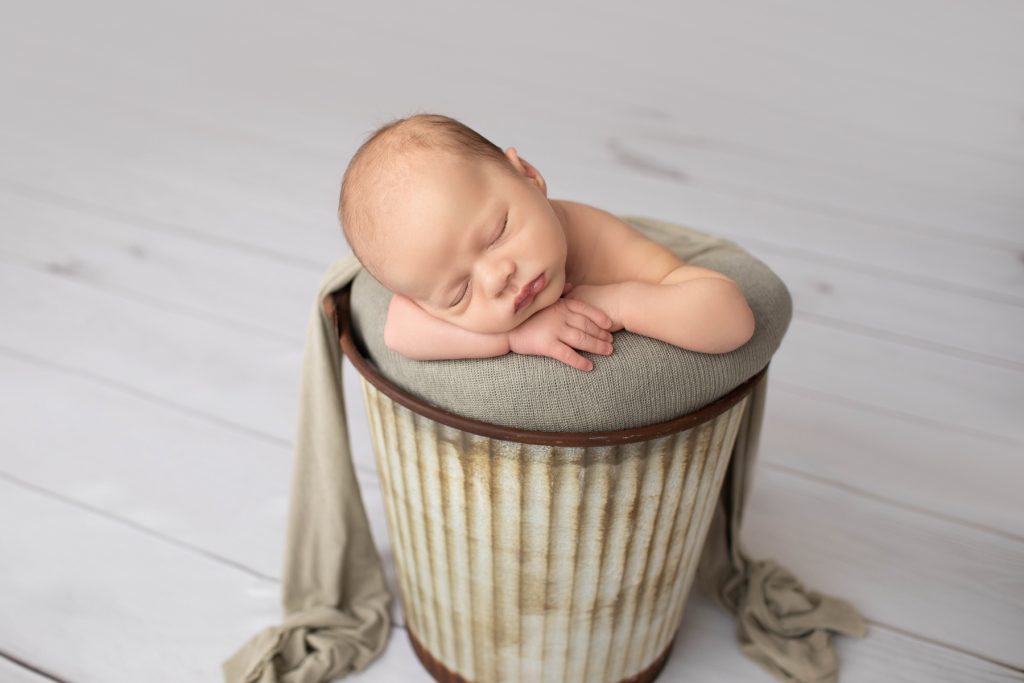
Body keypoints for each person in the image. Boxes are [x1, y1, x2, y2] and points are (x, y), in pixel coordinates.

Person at [339, 113, 755, 372]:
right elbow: (398, 331)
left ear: (529, 176)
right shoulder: (426, 287)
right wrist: (511, 338)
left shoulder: (601, 243)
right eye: (458, 293)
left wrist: (617, 303)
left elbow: (730, 317)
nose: (497, 277)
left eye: (498, 232)